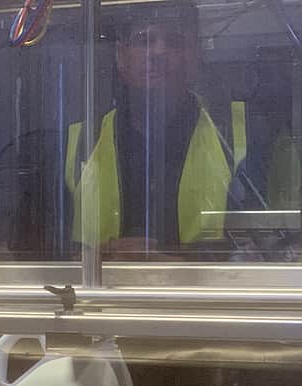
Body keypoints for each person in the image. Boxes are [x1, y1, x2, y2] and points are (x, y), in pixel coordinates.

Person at [66, 1, 250, 260]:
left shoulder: (241, 136)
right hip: (97, 299)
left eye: (174, 41)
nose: (159, 51)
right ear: (121, 56)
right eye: (144, 40)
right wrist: (101, 258)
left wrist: (170, 268)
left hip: (212, 300)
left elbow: (276, 252)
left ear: (194, 56)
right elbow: (41, 257)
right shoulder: (78, 142)